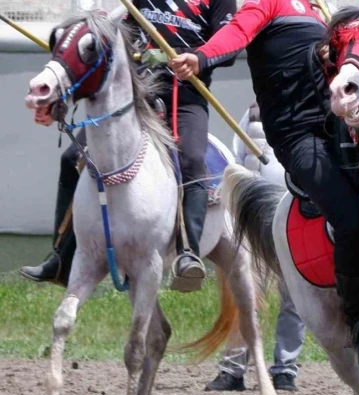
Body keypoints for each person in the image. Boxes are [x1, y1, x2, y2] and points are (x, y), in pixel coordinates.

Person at [168, 0, 359, 369]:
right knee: (352, 218)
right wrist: (201, 56)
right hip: (298, 137)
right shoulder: (265, 4)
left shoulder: (321, 8)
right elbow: (236, 33)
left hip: (345, 126)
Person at [19, 0, 238, 292]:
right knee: (72, 157)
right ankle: (62, 257)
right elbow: (114, 33)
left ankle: (188, 254)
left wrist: (197, 57)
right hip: (134, 96)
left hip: (185, 97)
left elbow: (230, 46)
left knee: (192, 161)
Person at [206, 102, 306, 392]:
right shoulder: (251, 113)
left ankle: (285, 368)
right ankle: (233, 369)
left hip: (293, 217)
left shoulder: (309, 106)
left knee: (293, 296)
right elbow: (236, 161)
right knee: (244, 293)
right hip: (251, 220)